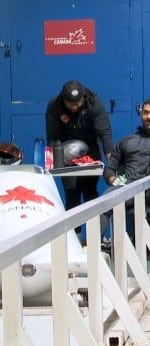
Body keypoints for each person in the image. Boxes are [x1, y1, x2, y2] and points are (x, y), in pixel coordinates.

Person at [46, 80, 114, 211]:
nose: (75, 107)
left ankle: (96, 230)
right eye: (71, 104)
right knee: (72, 197)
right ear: (64, 99)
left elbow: (104, 133)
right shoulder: (55, 106)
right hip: (65, 153)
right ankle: (74, 232)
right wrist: (51, 163)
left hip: (90, 152)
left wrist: (112, 163)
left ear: (83, 97)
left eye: (78, 102)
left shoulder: (94, 103)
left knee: (90, 195)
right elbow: (52, 137)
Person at [100, 98, 150, 239]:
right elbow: (109, 168)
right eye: (146, 112)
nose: (149, 117)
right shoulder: (126, 141)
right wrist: (114, 181)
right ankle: (90, 252)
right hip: (129, 186)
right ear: (141, 114)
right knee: (104, 201)